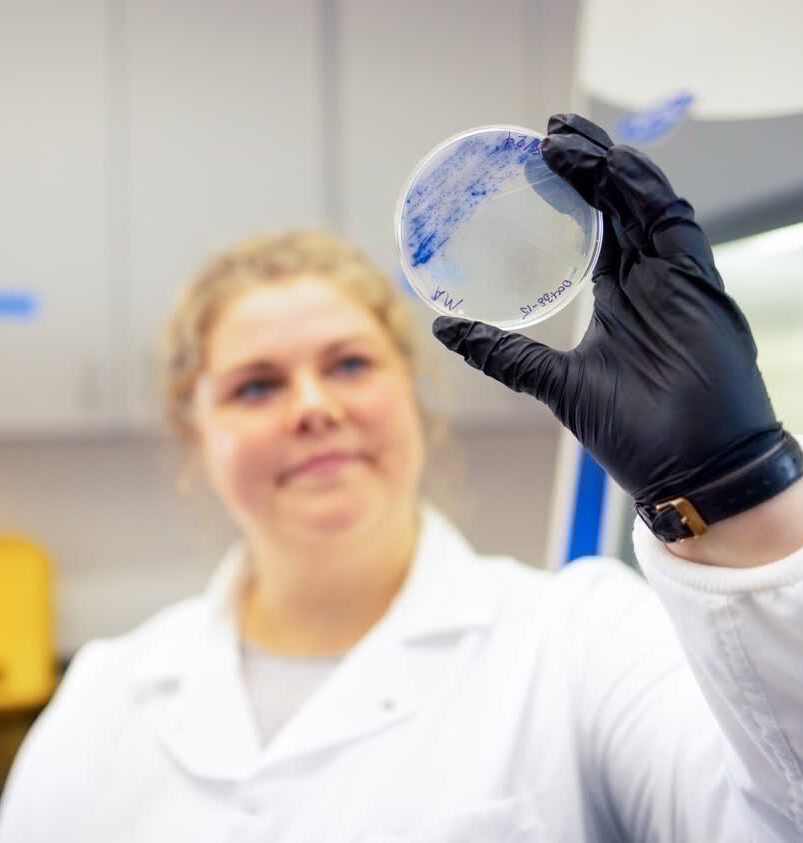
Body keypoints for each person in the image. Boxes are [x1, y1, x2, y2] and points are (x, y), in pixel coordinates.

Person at [0, 114, 801, 842]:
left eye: (348, 364)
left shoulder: (579, 640)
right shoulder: (101, 701)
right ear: (193, 431)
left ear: (414, 396)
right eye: (256, 385)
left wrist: (734, 487)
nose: (312, 407)